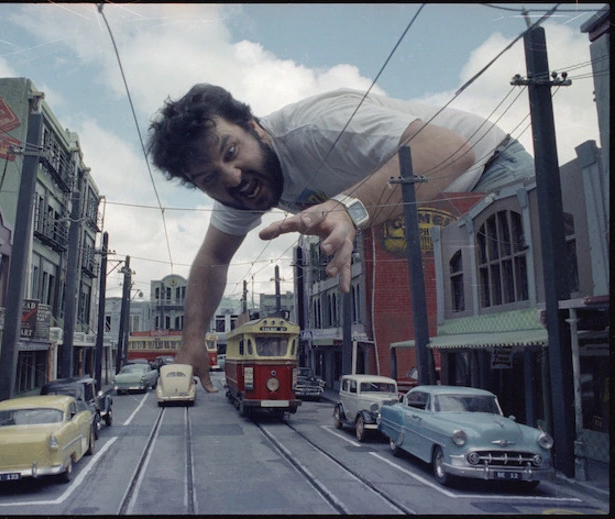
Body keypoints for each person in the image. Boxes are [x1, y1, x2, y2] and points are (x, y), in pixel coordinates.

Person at [147, 84, 534, 392]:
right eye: (209, 178)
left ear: (254, 126)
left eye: (231, 151)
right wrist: (192, 339)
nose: (231, 177)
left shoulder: (317, 127)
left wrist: (349, 208)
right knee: (467, 336)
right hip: (433, 214)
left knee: (523, 322)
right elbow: (212, 258)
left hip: (491, 174)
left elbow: (451, 150)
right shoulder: (242, 190)